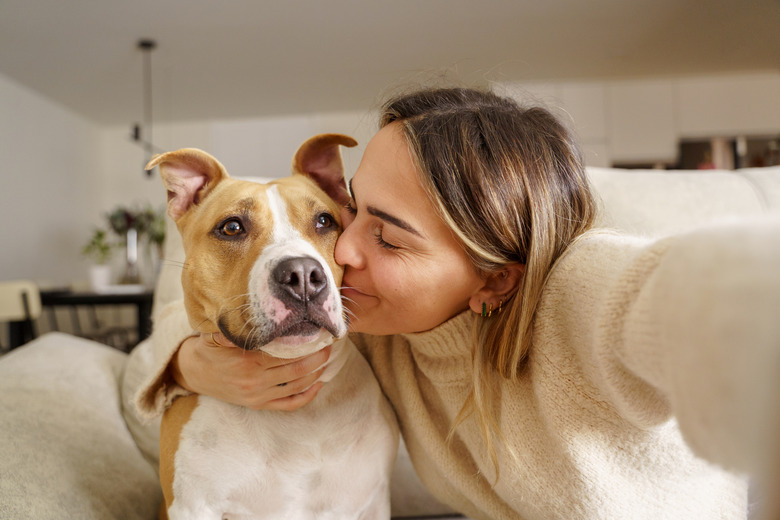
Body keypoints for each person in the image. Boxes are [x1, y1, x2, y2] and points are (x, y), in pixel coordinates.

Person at [136, 87, 780, 519]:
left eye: (385, 233)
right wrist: (194, 362)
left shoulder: (577, 290)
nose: (338, 257)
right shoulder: (366, 325)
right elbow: (174, 326)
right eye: (348, 212)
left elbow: (682, 291)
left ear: (495, 280)